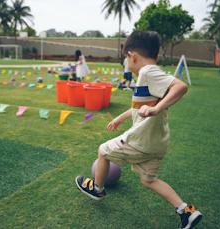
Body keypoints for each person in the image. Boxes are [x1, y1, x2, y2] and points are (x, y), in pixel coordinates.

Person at [75, 31, 202, 229]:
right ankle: (185, 210)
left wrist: (156, 108)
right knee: (149, 180)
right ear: (157, 56)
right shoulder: (149, 76)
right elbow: (138, 107)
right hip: (157, 144)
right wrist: (121, 117)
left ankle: (97, 188)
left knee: (103, 151)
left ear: (132, 56)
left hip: (140, 142)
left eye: (126, 59)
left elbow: (181, 86)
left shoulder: (147, 72)